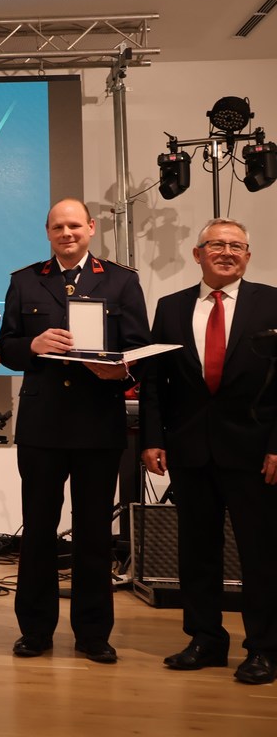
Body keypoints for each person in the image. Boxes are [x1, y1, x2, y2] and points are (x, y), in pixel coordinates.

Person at [0, 198, 149, 664]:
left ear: (91, 228)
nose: (67, 233)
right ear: (48, 232)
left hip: (97, 423)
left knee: (94, 534)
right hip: (42, 426)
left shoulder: (122, 280)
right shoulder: (25, 280)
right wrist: (33, 344)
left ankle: (93, 633)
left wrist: (120, 373)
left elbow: (139, 349)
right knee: (38, 532)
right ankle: (35, 630)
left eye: (74, 226)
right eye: (58, 227)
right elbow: (6, 349)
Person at [140, 218, 277, 685]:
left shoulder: (272, 303)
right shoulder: (171, 307)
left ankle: (264, 648)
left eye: (237, 245)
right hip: (190, 449)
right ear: (197, 254)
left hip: (256, 451)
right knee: (197, 550)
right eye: (216, 244)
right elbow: (156, 382)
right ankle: (205, 639)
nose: (227, 252)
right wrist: (153, 438)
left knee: (261, 553)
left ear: (248, 256)